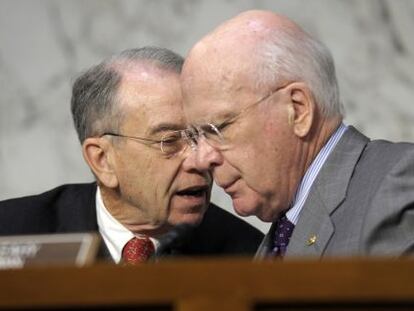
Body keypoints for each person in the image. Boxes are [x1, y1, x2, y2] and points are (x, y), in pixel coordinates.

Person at [180, 10, 414, 258]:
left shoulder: (397, 186)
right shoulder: (283, 231)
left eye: (218, 128)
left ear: (298, 110)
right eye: (197, 135)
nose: (201, 159)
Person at [0, 47, 263, 263]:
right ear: (103, 160)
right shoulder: (12, 233)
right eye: (169, 141)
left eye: (201, 135)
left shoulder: (247, 255)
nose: (200, 159)